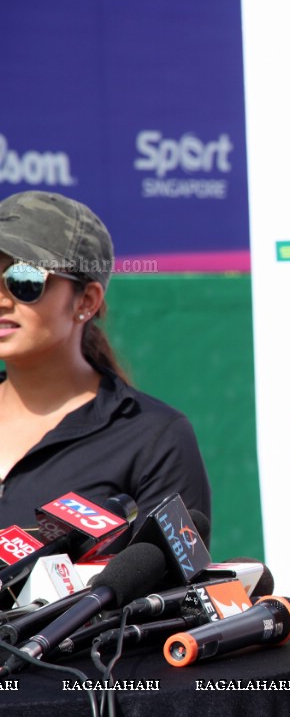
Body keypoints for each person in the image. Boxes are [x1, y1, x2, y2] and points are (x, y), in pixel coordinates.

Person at [0, 190, 212, 542]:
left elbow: (171, 589)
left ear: (86, 301)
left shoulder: (154, 438)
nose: (1, 299)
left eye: (23, 280)